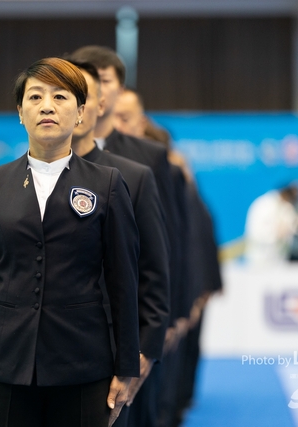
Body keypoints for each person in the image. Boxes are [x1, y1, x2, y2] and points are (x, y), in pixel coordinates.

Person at [0, 57, 140, 427]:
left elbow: (124, 283)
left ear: (80, 114)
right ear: (20, 113)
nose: (46, 106)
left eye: (60, 97)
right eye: (35, 96)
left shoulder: (106, 183)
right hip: (4, 366)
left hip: (84, 368)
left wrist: (126, 368)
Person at [68, 46, 187, 427]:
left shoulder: (142, 165)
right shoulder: (32, 172)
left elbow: (161, 250)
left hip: (123, 333)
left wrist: (154, 335)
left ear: (106, 99)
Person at [244, 185, 298, 265]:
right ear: (286, 194)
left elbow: (292, 226)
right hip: (260, 258)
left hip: (278, 258)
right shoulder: (264, 205)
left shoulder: (285, 207)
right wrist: (276, 233)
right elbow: (257, 232)